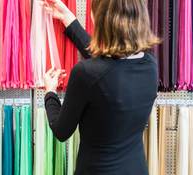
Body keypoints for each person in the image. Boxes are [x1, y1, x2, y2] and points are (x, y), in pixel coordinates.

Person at [41, 0, 160, 174]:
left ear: (98, 18)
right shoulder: (150, 65)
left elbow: (61, 130)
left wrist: (50, 92)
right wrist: (69, 20)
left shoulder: (86, 73)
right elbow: (111, 64)